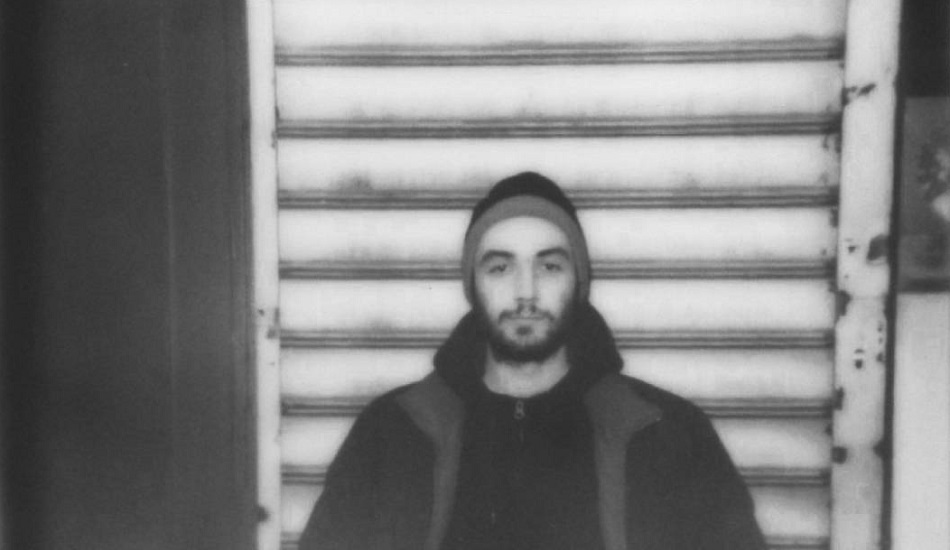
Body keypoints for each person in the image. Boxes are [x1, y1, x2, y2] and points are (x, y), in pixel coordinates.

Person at [298, 172, 767, 550]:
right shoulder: (392, 433)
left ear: (579, 282)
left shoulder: (667, 435)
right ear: (472, 284)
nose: (526, 292)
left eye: (549, 266)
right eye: (500, 267)